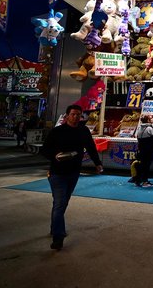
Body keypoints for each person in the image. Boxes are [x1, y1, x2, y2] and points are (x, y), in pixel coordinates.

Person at [40, 104, 103, 250]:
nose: (75, 117)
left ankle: (54, 227)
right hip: (57, 173)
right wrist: (54, 156)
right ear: (67, 115)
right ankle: (58, 237)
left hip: (74, 172)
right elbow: (44, 150)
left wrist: (97, 163)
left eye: (78, 115)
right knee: (60, 203)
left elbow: (91, 147)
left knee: (62, 203)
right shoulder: (57, 131)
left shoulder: (83, 130)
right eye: (73, 114)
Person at [134, 115, 153, 187]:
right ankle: (145, 181)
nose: (152, 119)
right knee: (146, 166)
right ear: (147, 120)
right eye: (150, 119)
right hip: (148, 150)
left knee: (142, 165)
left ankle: (138, 180)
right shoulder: (150, 129)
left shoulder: (139, 128)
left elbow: (138, 138)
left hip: (142, 150)